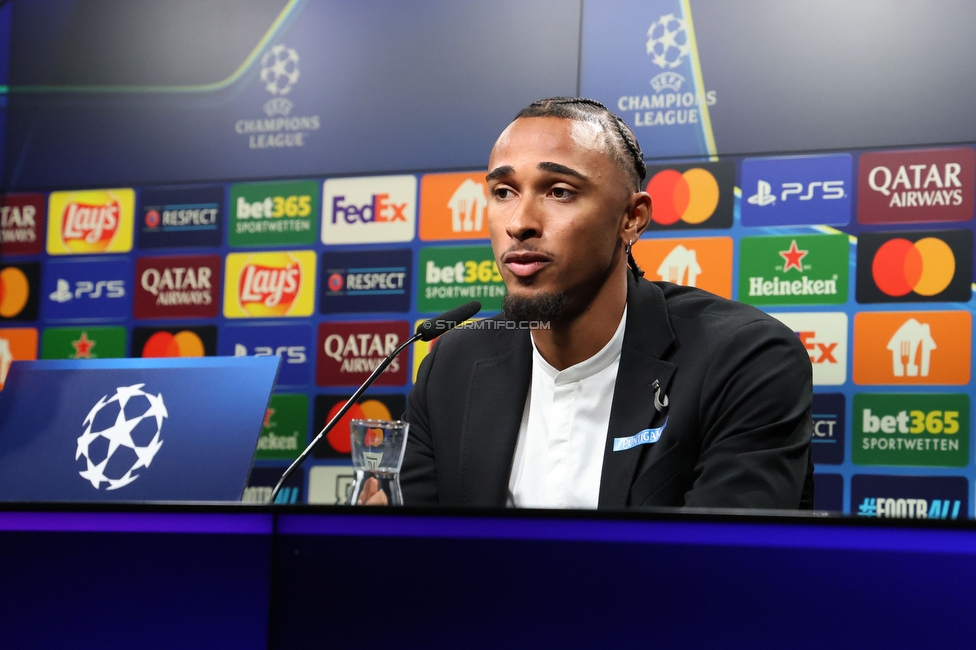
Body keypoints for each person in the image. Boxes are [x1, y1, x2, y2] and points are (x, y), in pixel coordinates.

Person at [362, 97, 813, 509]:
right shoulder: (455, 365)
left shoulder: (745, 359)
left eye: (559, 191)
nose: (520, 223)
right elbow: (413, 553)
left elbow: (719, 572)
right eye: (503, 192)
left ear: (631, 219)